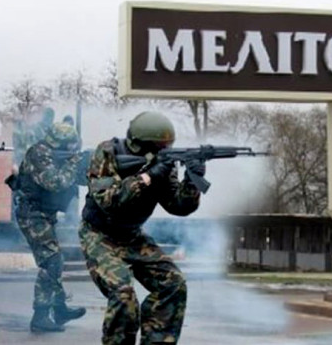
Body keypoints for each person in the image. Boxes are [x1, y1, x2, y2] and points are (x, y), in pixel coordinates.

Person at [79, 111, 205, 345]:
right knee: (123, 294)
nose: (164, 150)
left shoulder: (163, 164)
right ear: (140, 145)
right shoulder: (108, 152)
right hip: (99, 235)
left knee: (173, 284)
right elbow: (108, 200)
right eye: (159, 146)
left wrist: (192, 180)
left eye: (167, 146)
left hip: (132, 235)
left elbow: (178, 206)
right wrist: (148, 177)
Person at [12, 122, 87, 332]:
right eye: (69, 145)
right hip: (32, 215)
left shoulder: (55, 154)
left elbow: (77, 180)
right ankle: (41, 316)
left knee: (55, 261)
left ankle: (59, 308)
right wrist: (73, 163)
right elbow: (55, 182)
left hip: (44, 215)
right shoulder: (39, 154)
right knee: (51, 261)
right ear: (59, 143)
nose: (72, 148)